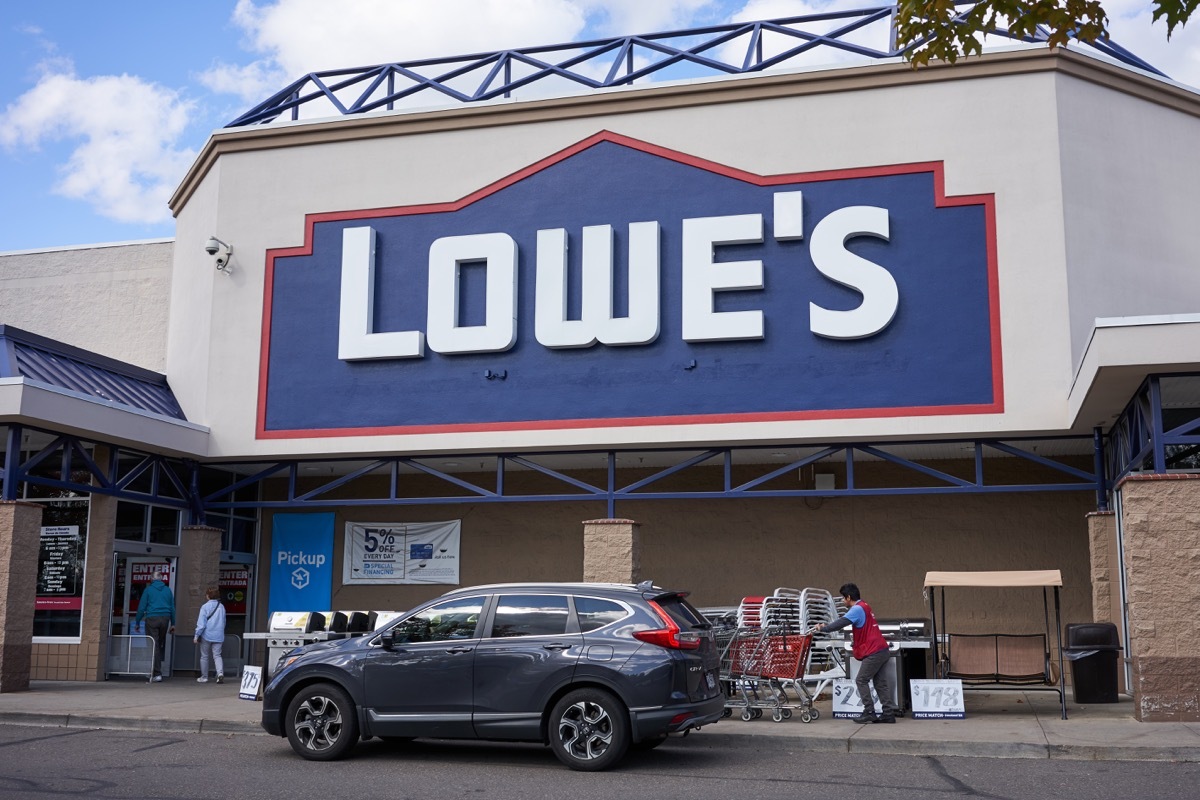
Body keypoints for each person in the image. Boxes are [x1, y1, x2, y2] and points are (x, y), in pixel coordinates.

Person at [815, 582, 899, 724]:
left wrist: (824, 629)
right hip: (882, 649)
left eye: (843, 598)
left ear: (848, 597)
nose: (843, 601)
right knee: (880, 683)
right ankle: (888, 713)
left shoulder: (856, 609)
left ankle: (869, 712)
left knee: (861, 680)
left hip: (874, 652)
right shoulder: (865, 606)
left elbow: (841, 623)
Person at [134, 568, 176, 682]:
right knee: (158, 644)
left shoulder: (148, 590)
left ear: (152, 579)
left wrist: (137, 622)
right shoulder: (168, 590)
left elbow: (142, 607)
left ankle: (157, 673)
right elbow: (172, 607)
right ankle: (155, 671)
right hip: (165, 618)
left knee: (153, 645)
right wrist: (173, 623)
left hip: (152, 618)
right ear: (161, 579)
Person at [193, 586, 227, 684]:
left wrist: (196, 635)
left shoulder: (205, 607)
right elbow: (224, 622)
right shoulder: (221, 607)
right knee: (217, 655)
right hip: (219, 635)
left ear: (208, 596)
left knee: (204, 656)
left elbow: (201, 623)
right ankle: (220, 674)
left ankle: (204, 677)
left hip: (206, 635)